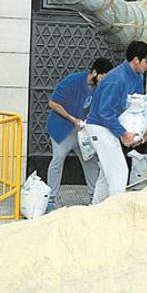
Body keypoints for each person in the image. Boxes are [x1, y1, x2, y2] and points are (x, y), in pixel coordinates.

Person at [86, 41, 147, 204]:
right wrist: (124, 134)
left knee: (106, 174)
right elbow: (105, 112)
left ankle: (95, 211)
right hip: (99, 127)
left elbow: (137, 108)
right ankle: (115, 213)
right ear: (136, 60)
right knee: (119, 172)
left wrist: (139, 132)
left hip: (110, 126)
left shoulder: (137, 77)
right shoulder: (116, 79)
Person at [45, 58, 113, 211]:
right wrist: (72, 119)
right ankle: (50, 199)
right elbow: (53, 103)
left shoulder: (99, 88)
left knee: (89, 160)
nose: (104, 81)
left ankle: (95, 198)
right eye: (103, 76)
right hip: (62, 129)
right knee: (58, 159)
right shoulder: (73, 81)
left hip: (81, 131)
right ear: (94, 72)